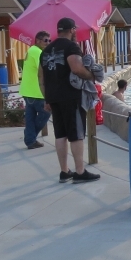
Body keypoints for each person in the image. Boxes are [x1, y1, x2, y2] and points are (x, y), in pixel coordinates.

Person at [39, 17, 98, 183]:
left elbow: (42, 78)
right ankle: (80, 172)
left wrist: (47, 99)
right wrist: (91, 76)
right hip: (71, 96)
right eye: (75, 30)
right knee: (76, 134)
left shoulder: (46, 50)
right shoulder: (71, 47)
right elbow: (76, 68)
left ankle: (64, 172)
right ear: (72, 30)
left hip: (53, 96)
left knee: (60, 134)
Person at [20, 30, 52, 149]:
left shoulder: (31, 50)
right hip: (37, 91)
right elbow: (44, 71)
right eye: (45, 40)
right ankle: (30, 136)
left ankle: (30, 139)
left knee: (30, 117)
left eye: (49, 40)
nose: (48, 43)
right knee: (45, 113)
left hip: (28, 90)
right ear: (38, 40)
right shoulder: (39, 53)